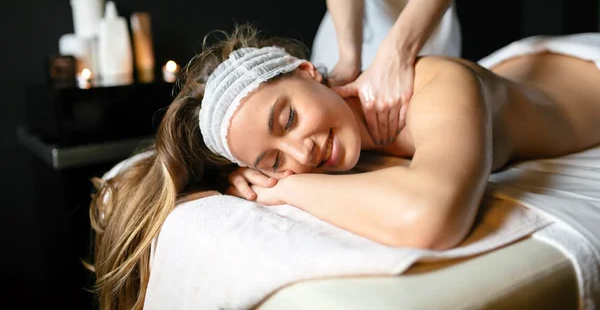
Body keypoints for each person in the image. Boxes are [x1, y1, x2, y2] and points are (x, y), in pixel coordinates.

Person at [88, 25, 600, 309]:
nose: (302, 154)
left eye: (287, 116)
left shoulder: (435, 86)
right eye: (274, 161)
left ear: (310, 72)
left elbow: (431, 218)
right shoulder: (338, 149)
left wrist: (282, 192)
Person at [300, 0, 506, 146]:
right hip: (351, 24)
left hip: (426, 23)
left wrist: (398, 54)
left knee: (420, 140)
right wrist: (348, 60)